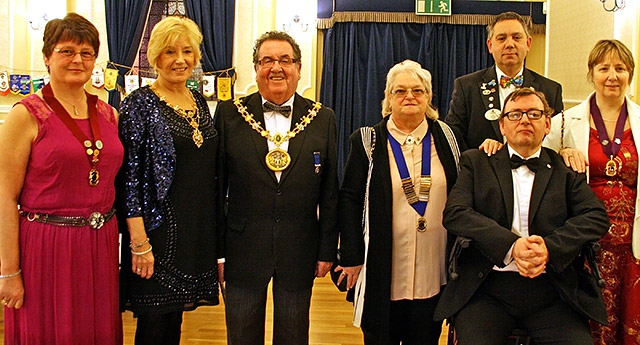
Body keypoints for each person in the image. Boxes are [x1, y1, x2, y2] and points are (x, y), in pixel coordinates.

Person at [434, 87, 610, 345]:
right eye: (515, 115)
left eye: (534, 114)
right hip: (487, 289)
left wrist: (550, 248)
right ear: (502, 126)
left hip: (553, 291)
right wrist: (511, 245)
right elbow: (455, 214)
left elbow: (596, 216)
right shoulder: (476, 162)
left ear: (547, 124)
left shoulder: (564, 169)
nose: (525, 120)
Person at [0, 13, 123, 344]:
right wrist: (9, 272)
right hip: (46, 246)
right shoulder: (25, 115)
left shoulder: (109, 114)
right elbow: (4, 198)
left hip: (100, 244)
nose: (77, 60)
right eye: (66, 51)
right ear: (47, 57)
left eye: (86, 53)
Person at [214, 30, 339, 345]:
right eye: (267, 60)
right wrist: (217, 252)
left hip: (300, 248)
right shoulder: (229, 115)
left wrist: (327, 250)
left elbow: (330, 191)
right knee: (241, 336)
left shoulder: (322, 118)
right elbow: (215, 190)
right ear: (255, 69)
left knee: (295, 336)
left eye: (285, 60)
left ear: (299, 69)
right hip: (242, 248)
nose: (276, 68)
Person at [336, 60, 461, 345]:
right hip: (383, 268)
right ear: (388, 98)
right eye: (400, 90)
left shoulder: (447, 137)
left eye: (418, 90)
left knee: (426, 337)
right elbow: (350, 200)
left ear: (428, 97)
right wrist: (352, 257)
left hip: (433, 267)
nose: (409, 96)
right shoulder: (367, 141)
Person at [117, 16, 220, 345]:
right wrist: (139, 243)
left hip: (193, 234)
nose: (180, 60)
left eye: (187, 51)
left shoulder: (199, 102)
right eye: (170, 52)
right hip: (154, 236)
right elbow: (129, 181)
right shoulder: (138, 105)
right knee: (153, 326)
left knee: (173, 321)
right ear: (155, 58)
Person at [544, 39, 640, 345]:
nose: (612, 76)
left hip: (632, 240)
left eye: (620, 68)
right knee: (588, 322)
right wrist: (560, 156)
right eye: (604, 68)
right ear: (592, 73)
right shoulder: (562, 124)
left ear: (630, 74)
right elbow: (535, 163)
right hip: (587, 240)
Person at [445, 11, 563, 154]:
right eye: (501, 38)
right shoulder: (466, 87)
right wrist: (479, 155)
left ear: (528, 44)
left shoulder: (551, 90)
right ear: (490, 45)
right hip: (483, 172)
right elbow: (453, 138)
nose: (509, 44)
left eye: (516, 37)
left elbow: (556, 139)